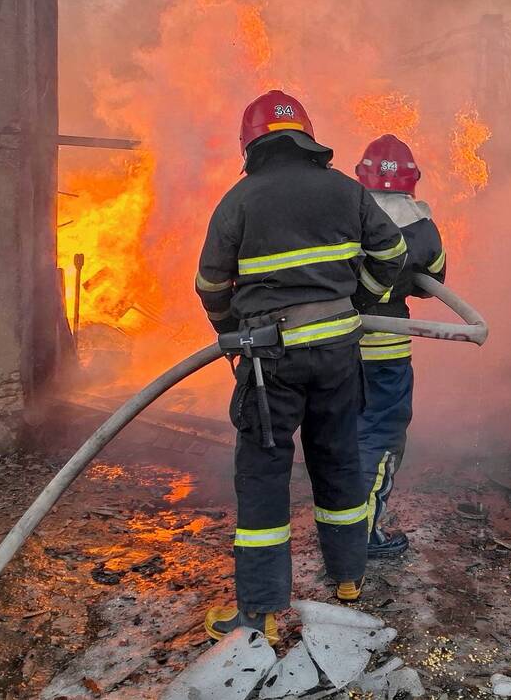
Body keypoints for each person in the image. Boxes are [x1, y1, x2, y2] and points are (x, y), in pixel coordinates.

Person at [195, 91, 407, 644]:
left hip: (271, 362)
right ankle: (348, 580)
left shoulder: (239, 200)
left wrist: (228, 335)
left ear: (253, 145)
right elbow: (392, 255)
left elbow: (211, 283)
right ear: (307, 139)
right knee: (338, 461)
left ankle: (260, 610)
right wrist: (357, 301)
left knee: (264, 475)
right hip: (339, 355)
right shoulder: (347, 190)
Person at [352, 134, 447, 558]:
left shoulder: (342, 212)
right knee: (380, 438)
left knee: (339, 436)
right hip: (385, 356)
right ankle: (363, 533)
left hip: (334, 350)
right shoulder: (420, 224)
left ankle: (338, 525)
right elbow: (435, 282)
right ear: (412, 180)